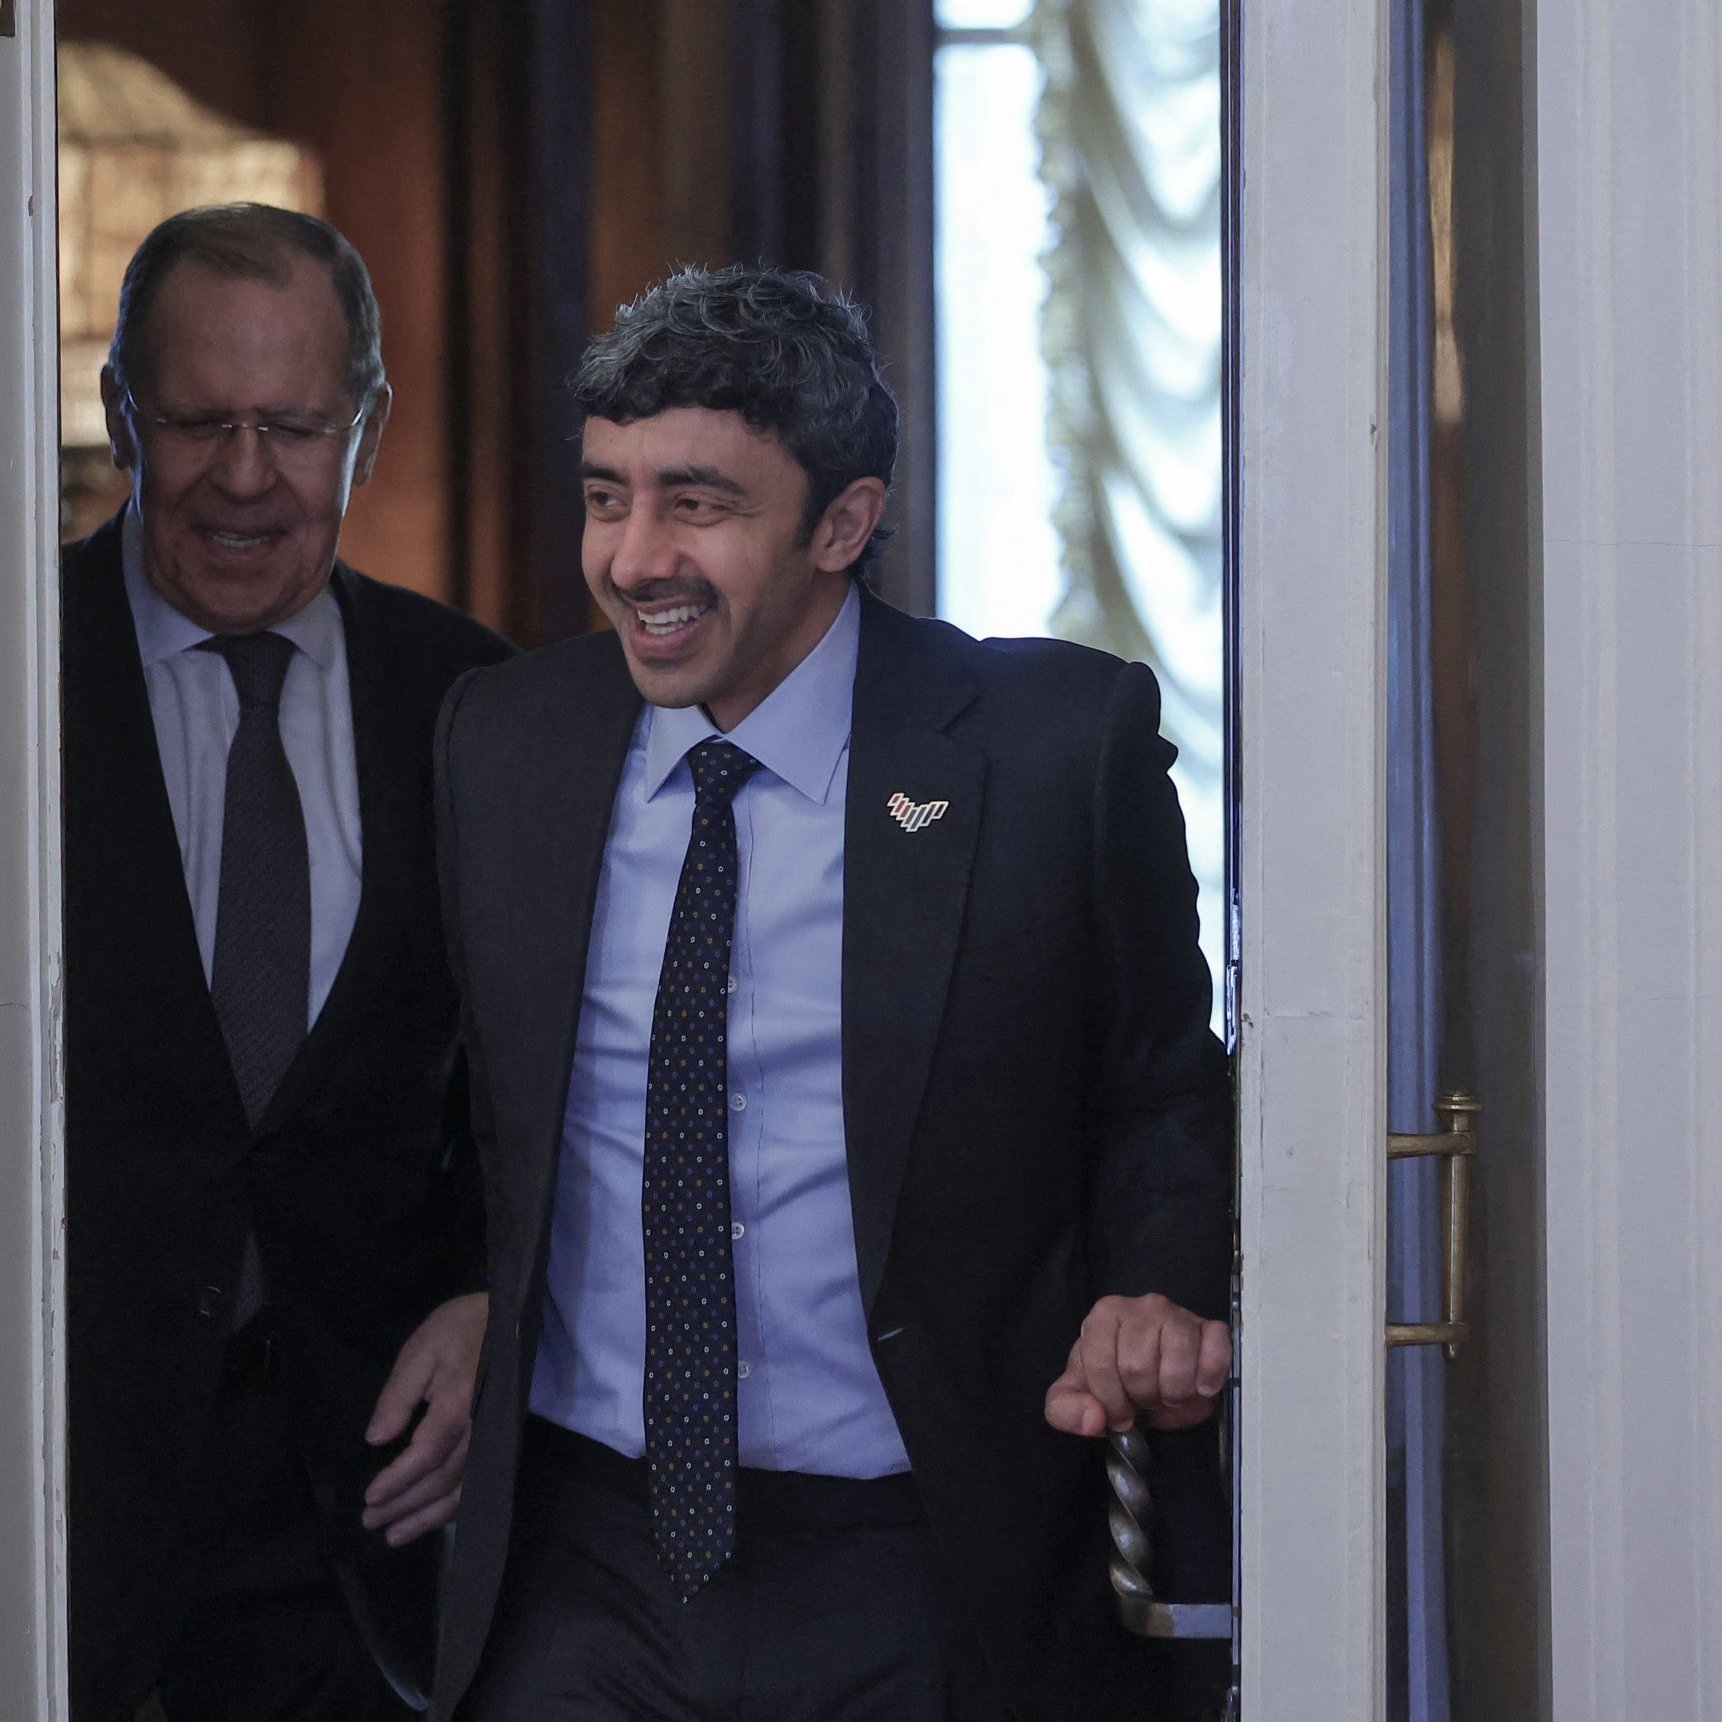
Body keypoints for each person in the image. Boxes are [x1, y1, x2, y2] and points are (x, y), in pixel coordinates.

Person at [431, 264, 1233, 1722]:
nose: (632, 556)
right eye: (608, 495)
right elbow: (455, 1090)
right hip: (582, 1552)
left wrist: (1155, 1284)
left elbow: (1163, 1086)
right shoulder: (506, 739)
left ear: (843, 523)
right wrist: (461, 1289)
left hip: (921, 1556)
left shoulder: (1048, 749)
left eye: (699, 502)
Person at [60, 203, 514, 1722]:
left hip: (366, 1520)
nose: (243, 477)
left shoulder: (478, 708)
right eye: (195, 422)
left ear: (367, 425)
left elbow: (569, 1077)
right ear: (121, 410)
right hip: (52, 1496)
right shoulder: (14, 669)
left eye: (293, 425)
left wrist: (499, 1292)